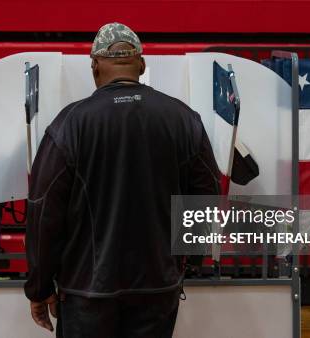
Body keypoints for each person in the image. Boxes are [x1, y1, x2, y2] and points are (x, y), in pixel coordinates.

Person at [24, 22, 221, 337]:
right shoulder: (184, 119)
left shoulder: (69, 124)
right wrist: (190, 261)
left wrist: (39, 285)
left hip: (87, 292)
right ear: (141, 64)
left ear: (94, 66)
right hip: (158, 287)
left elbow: (43, 212)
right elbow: (207, 198)